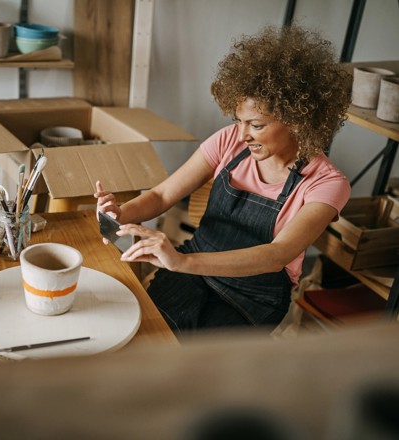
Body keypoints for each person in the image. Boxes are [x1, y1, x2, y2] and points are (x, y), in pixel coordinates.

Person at [94, 25, 352, 333]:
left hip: (255, 295)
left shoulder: (327, 184)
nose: (243, 135)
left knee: (200, 363)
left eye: (255, 125)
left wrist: (181, 262)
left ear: (297, 120)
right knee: (148, 335)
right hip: (193, 267)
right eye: (238, 121)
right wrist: (119, 213)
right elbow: (162, 196)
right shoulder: (229, 141)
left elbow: (277, 255)